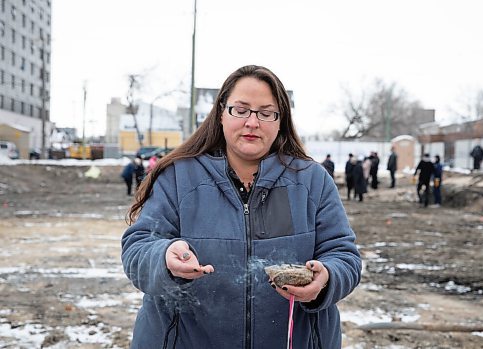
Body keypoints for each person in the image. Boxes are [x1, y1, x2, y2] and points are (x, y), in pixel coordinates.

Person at [121, 65, 362, 349]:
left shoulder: (312, 181)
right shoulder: (177, 177)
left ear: (280, 119)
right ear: (222, 112)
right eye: (241, 109)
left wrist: (326, 278)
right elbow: (137, 248)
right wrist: (163, 258)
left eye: (265, 112)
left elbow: (344, 255)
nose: (252, 122)